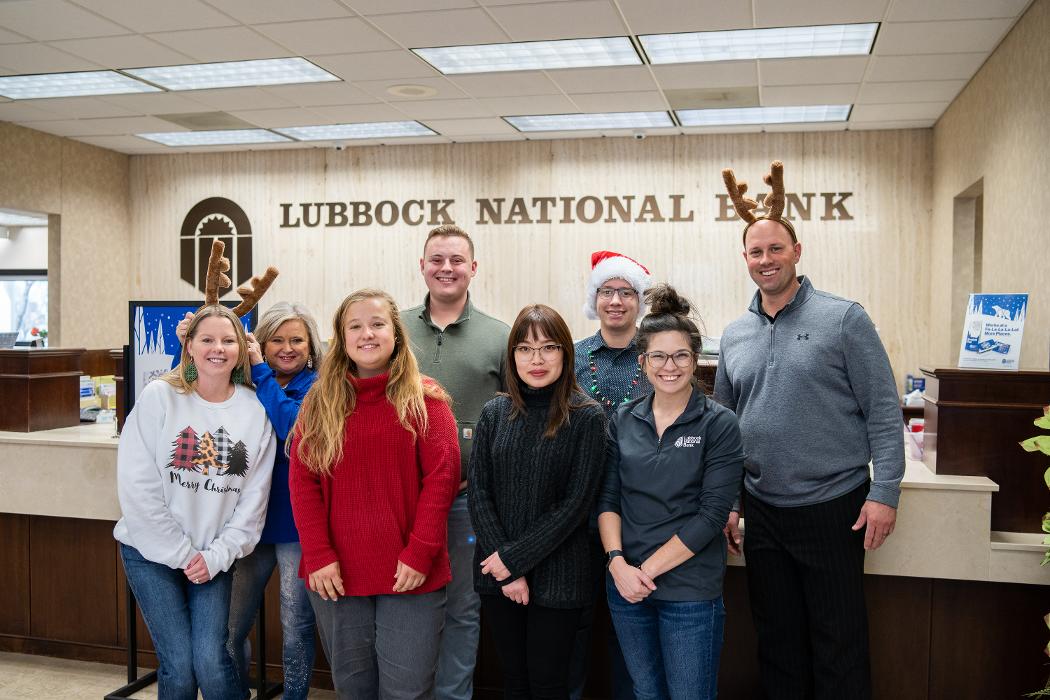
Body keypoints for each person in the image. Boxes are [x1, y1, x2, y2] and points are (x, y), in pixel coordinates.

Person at [716, 161, 905, 699]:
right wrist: (730, 502)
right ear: (745, 260)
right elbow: (725, 430)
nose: (766, 259)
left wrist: (885, 491)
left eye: (776, 249)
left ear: (797, 252)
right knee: (777, 642)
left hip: (835, 508)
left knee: (838, 642)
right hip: (763, 514)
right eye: (756, 251)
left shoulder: (845, 319)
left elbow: (884, 412)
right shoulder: (734, 335)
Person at [289, 288, 460, 700]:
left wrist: (420, 553)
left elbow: (443, 478)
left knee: (407, 691)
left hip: (410, 574)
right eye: (355, 326)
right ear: (342, 338)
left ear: (396, 334)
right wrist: (318, 554)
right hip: (336, 574)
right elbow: (302, 481)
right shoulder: (320, 401)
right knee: (353, 689)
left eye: (378, 324)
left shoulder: (426, 399)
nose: (367, 333)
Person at [114, 304, 276, 700]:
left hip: (211, 556)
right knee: (181, 668)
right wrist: (182, 554)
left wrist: (215, 556)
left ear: (241, 348)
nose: (217, 348)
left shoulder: (256, 411)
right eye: (206, 339)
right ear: (189, 346)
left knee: (211, 660)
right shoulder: (159, 397)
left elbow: (252, 506)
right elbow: (138, 488)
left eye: (227, 340)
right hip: (148, 552)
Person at [598, 284, 744, 700]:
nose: (670, 366)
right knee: (645, 693)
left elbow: (712, 516)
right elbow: (608, 500)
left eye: (680, 355)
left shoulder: (719, 424)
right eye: (658, 356)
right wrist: (617, 563)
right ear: (642, 362)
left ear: (695, 360)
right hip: (626, 588)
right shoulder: (623, 419)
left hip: (688, 593)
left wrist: (646, 572)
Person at [469, 304, 608, 700]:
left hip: (560, 575)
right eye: (525, 349)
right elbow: (479, 493)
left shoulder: (587, 417)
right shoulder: (495, 412)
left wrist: (514, 561)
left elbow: (576, 504)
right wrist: (507, 570)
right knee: (513, 681)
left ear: (566, 353)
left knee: (549, 684)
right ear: (511, 355)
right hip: (498, 575)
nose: (537, 359)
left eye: (549, 348)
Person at [402, 224, 510, 700]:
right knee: (408, 604)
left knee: (463, 609)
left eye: (457, 260)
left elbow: (514, 418)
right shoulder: (392, 329)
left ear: (473, 268)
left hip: (468, 503)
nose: (447, 268)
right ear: (422, 266)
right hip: (402, 503)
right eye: (437, 259)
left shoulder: (500, 336)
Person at [570, 250, 654, 700]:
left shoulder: (657, 355)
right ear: (595, 298)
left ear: (639, 301)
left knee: (632, 629)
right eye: (607, 291)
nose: (616, 301)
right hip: (578, 509)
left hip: (640, 510)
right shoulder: (574, 356)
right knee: (575, 623)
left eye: (626, 292)